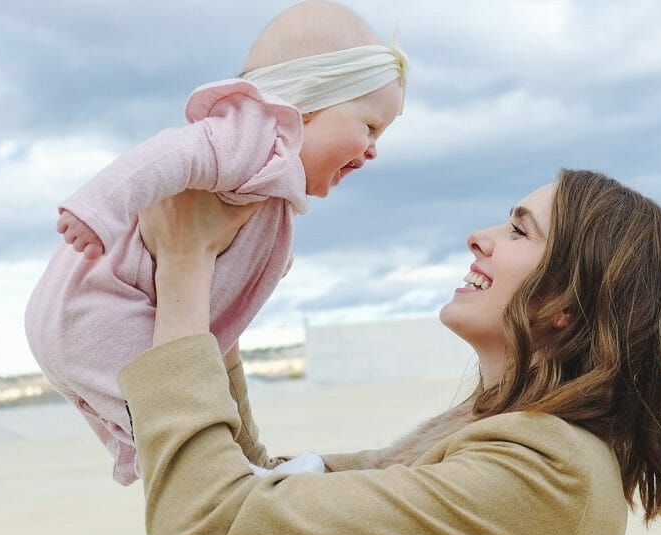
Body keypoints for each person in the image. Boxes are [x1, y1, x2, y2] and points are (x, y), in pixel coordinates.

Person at [116, 169, 661, 535]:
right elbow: (262, 492)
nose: (480, 235)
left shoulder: (546, 474)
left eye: (520, 232)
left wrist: (185, 267)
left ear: (567, 303)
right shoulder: (490, 435)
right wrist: (219, 303)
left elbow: (205, 524)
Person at [23, 1, 407, 485]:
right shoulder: (253, 137)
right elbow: (171, 153)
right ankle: (214, 475)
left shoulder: (273, 191)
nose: (374, 150)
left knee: (169, 410)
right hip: (98, 310)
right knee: (174, 414)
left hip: (86, 321)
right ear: (308, 103)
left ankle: (162, 459)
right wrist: (97, 209)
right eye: (369, 127)